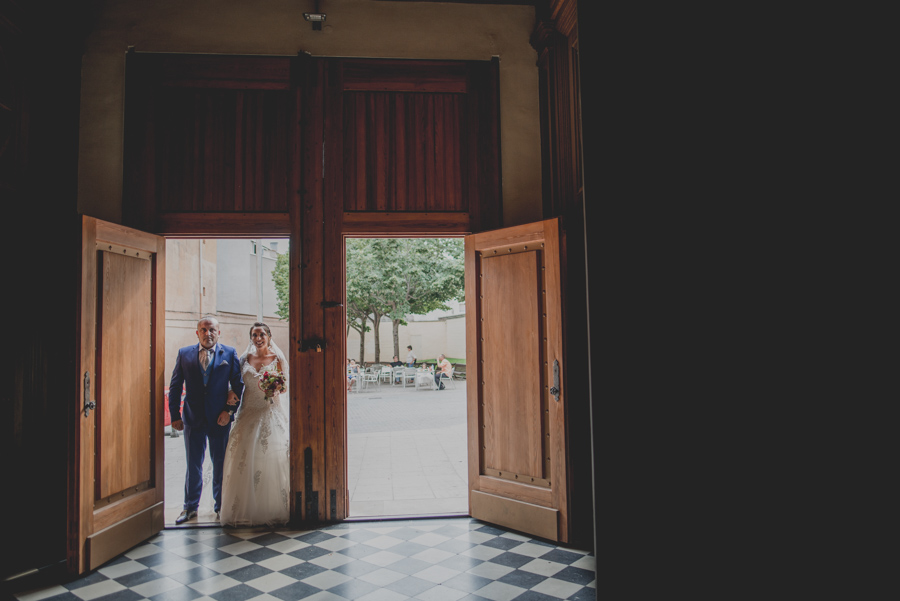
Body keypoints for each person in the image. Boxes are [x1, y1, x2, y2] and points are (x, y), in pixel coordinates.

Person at [169, 317, 244, 524]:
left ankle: (221, 506)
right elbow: (175, 386)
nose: (208, 333)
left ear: (218, 332)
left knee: (220, 463)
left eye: (212, 329)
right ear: (197, 333)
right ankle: (190, 507)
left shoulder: (229, 353)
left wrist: (228, 412)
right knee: (193, 464)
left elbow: (238, 386)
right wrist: (175, 415)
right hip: (193, 418)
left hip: (219, 419)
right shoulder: (184, 354)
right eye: (203, 329)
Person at [219, 322, 290, 527]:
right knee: (245, 459)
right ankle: (245, 507)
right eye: (254, 335)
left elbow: (284, 386)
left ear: (269, 336)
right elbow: (235, 383)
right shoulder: (244, 359)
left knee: (271, 458)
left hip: (270, 411)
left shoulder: (277, 359)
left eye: (261, 334)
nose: (258, 338)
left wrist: (275, 388)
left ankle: (271, 507)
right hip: (248, 411)